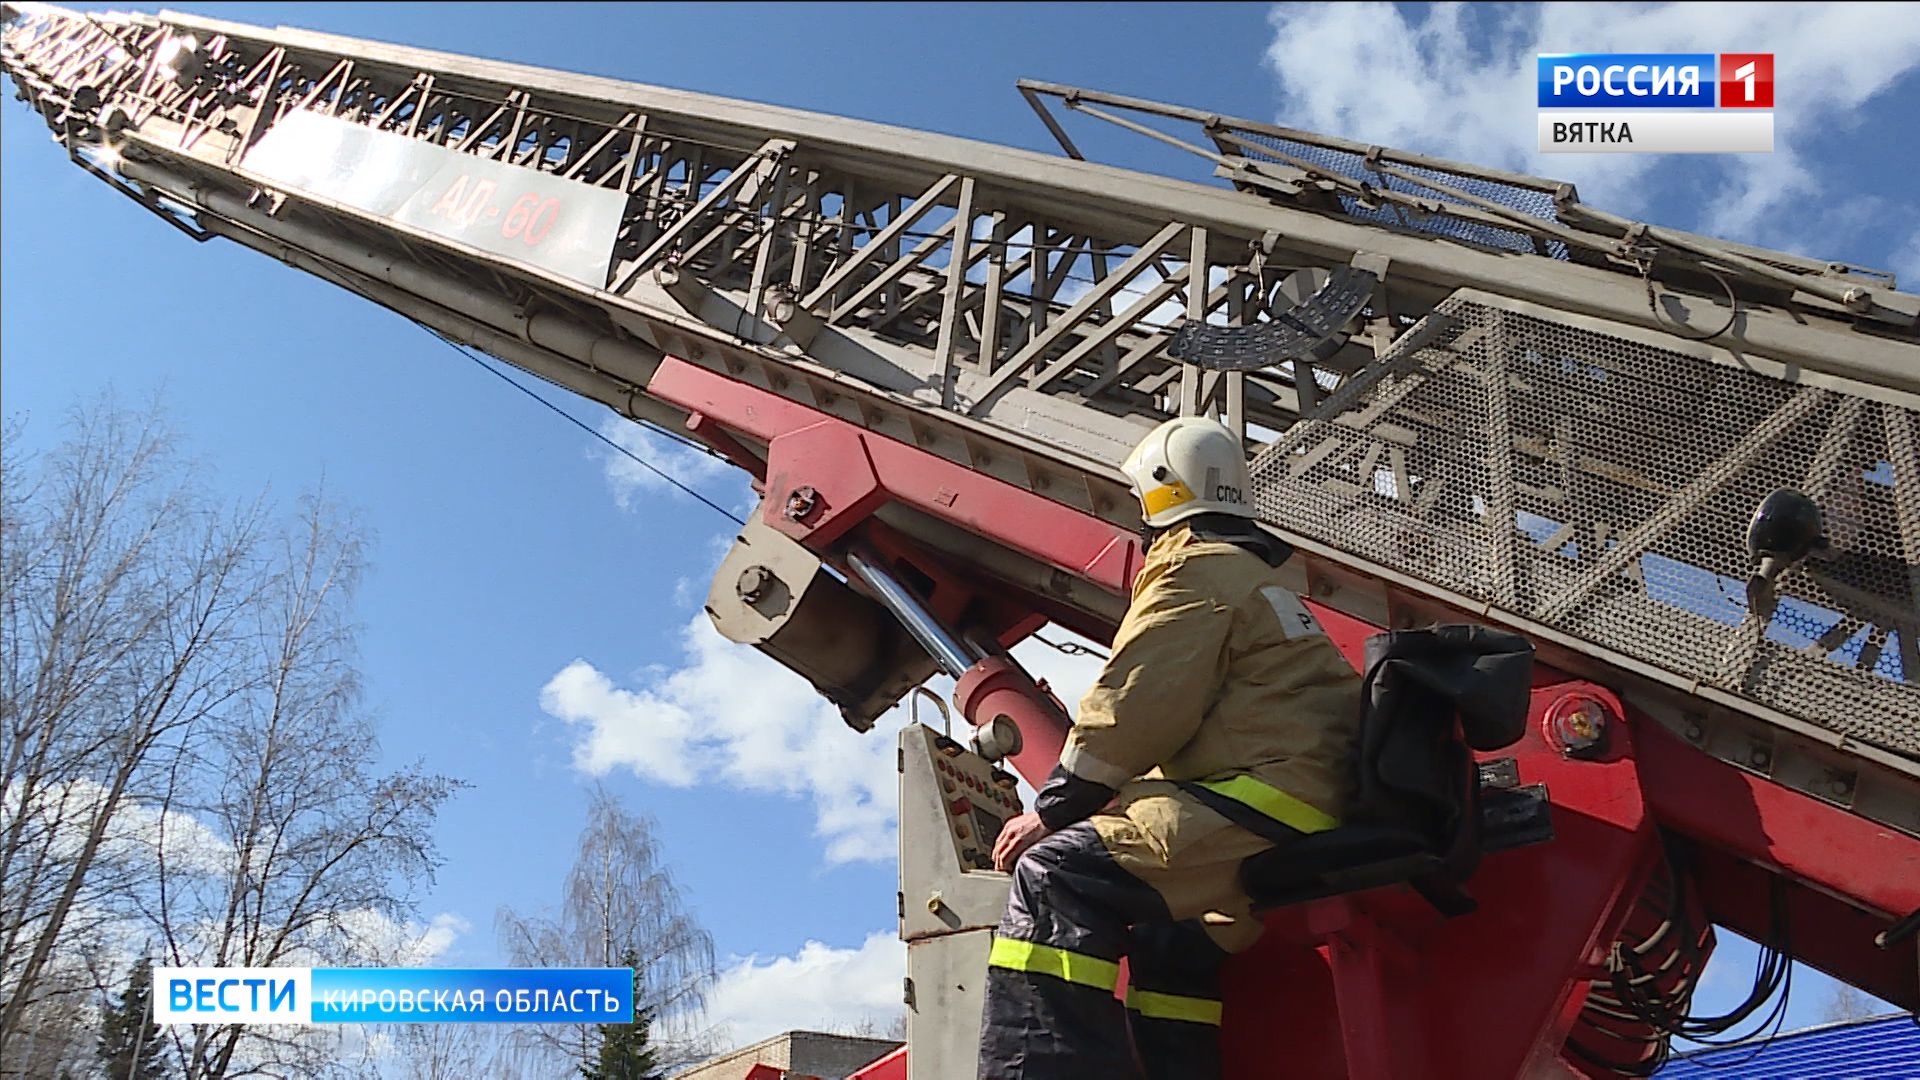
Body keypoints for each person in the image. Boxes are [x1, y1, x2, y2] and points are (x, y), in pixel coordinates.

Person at [977, 416, 1365, 1080]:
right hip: (1300, 799)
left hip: (1264, 801)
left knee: (1053, 877)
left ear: (1159, 493)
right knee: (1173, 937)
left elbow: (1136, 703)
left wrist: (1053, 811)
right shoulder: (1254, 578)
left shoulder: (1192, 570)